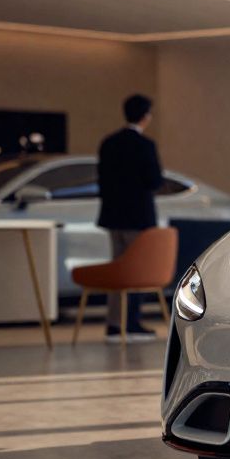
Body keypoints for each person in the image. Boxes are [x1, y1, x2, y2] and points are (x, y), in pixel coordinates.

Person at [96, 94, 162, 343]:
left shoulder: (108, 143)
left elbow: (102, 181)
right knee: (136, 272)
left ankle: (115, 323)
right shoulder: (146, 145)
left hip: (113, 217)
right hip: (138, 217)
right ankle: (131, 322)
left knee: (119, 271)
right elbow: (154, 181)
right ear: (146, 116)